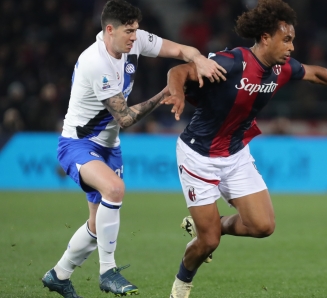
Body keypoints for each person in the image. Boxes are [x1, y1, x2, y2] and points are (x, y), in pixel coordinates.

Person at [160, 1, 327, 297]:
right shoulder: (234, 62)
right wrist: (177, 92)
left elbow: (317, 73)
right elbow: (180, 70)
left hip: (235, 154)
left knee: (263, 226)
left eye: (293, 40)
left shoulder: (282, 69)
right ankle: (182, 284)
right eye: (286, 39)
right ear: (264, 38)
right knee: (207, 243)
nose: (292, 47)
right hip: (198, 156)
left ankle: (214, 224)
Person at [41, 1, 226, 297]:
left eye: (136, 30)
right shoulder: (95, 62)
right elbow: (125, 118)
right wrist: (167, 91)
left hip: (109, 146)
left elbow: (180, 50)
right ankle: (107, 271)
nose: (134, 37)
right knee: (114, 190)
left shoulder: (135, 40)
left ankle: (59, 275)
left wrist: (198, 59)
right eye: (129, 31)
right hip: (78, 143)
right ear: (109, 30)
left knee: (95, 223)